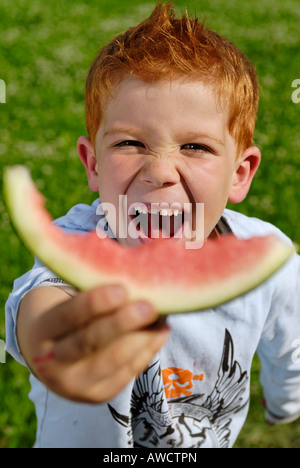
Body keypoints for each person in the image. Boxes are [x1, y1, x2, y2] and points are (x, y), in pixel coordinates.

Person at [5, 2, 300, 448]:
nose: (160, 171)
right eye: (130, 142)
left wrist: (285, 403)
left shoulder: (270, 259)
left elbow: (290, 346)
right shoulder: (75, 242)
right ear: (93, 164)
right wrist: (53, 340)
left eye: (196, 147)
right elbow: (43, 302)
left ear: (240, 173)